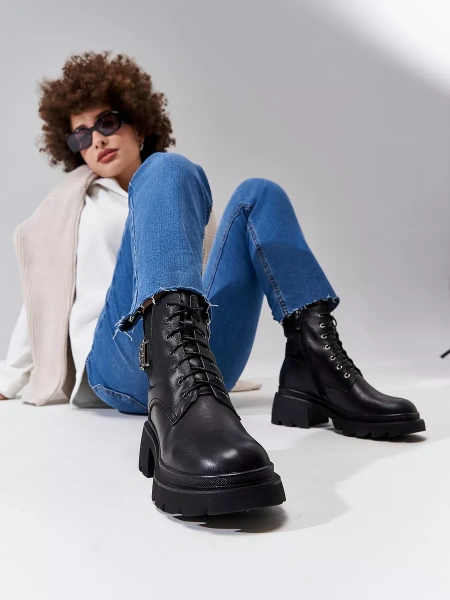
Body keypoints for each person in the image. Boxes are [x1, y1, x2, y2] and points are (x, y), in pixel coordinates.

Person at [0, 51, 425, 517]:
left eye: (107, 122)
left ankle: (316, 364)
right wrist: (10, 375)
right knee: (165, 169)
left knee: (259, 193)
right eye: (80, 134)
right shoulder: (73, 207)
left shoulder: (173, 190)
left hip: (195, 354)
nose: (96, 139)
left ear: (138, 125)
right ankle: (174, 412)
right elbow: (42, 291)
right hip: (118, 361)